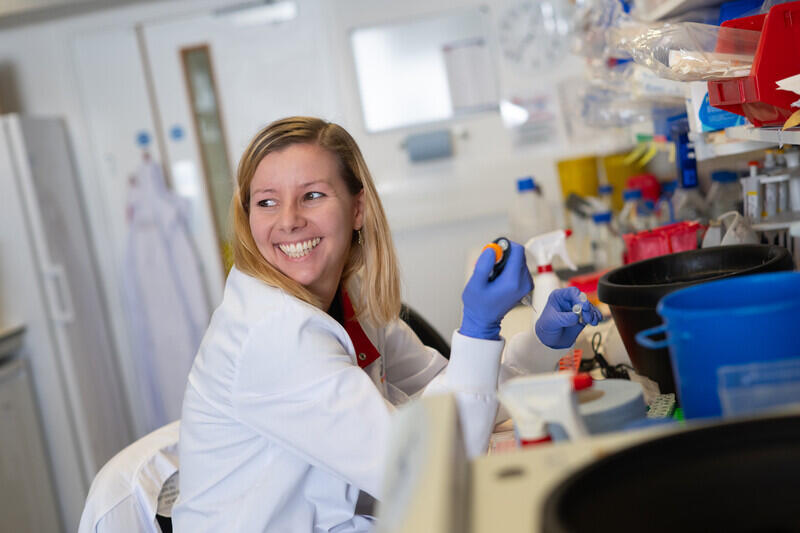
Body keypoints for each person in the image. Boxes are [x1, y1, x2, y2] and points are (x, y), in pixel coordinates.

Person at [172, 116, 601, 531]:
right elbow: (422, 471)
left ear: (357, 208)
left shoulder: (346, 297)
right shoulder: (274, 334)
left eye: (312, 195)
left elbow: (452, 399)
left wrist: (541, 344)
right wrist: (479, 329)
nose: (288, 220)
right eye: (266, 202)